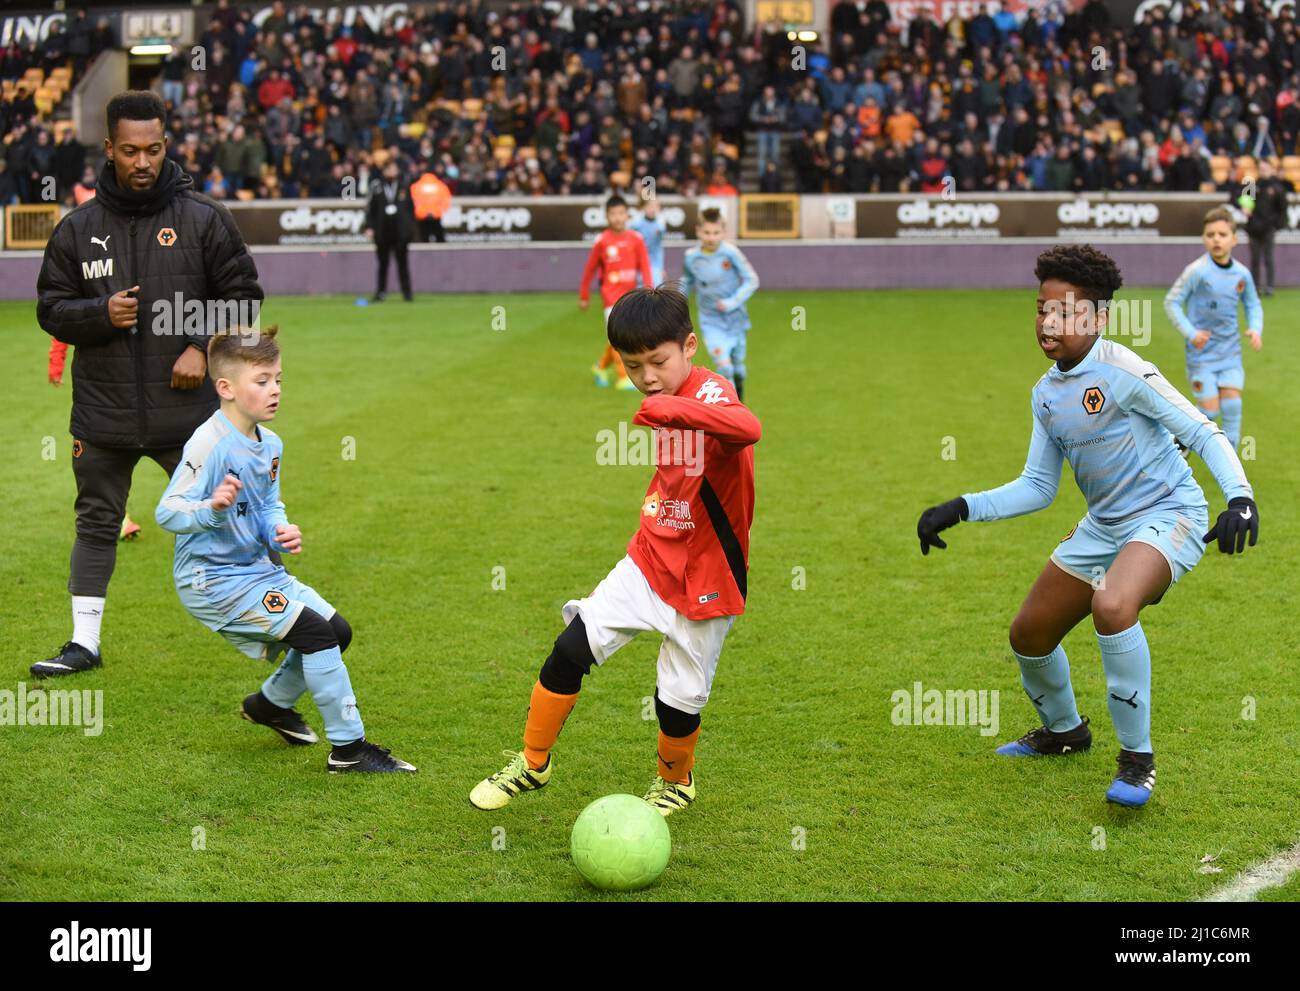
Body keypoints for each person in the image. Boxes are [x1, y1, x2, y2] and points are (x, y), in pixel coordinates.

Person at [917, 244, 1259, 808]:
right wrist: (961, 506)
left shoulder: (1124, 371)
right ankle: (1064, 732)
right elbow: (1037, 487)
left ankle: (1138, 759)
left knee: (1113, 606)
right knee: (1028, 634)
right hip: (1104, 527)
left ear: (1098, 319)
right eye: (1041, 308)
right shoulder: (1045, 395)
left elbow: (1202, 430)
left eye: (1066, 311)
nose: (1049, 322)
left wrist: (1241, 499)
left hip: (1169, 514)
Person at [469, 285, 760, 815]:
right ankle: (532, 764)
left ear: (689, 346)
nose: (647, 378)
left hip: (710, 574)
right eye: (633, 366)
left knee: (677, 697)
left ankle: (676, 783)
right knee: (570, 650)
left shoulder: (711, 391)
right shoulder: (659, 394)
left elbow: (748, 427)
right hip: (651, 558)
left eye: (658, 362)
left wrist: (679, 407)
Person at [33, 89, 263, 677]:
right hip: (102, 414)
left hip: (185, 415)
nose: (143, 163)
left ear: (167, 145)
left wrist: (197, 346)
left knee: (234, 520)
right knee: (96, 522)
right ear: (109, 149)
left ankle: (278, 633)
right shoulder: (77, 229)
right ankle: (84, 643)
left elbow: (244, 299)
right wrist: (99, 315)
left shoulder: (203, 218)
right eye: (130, 151)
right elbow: (51, 309)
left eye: (154, 149)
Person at [155, 326, 416, 774]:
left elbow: (269, 503)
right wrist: (213, 507)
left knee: (337, 632)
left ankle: (269, 705)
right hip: (212, 581)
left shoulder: (270, 443)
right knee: (315, 635)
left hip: (256, 570)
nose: (275, 390)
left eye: (278, 379)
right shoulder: (209, 443)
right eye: (262, 381)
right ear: (226, 388)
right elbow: (168, 511)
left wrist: (279, 530)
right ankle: (349, 751)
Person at [1164, 206, 1263, 450]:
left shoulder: (1242, 274)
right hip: (1202, 354)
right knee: (1209, 410)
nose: (1216, 239)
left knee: (1232, 405)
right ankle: (1179, 441)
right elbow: (1172, 302)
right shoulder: (1197, 271)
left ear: (1234, 239)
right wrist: (1192, 333)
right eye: (1210, 235)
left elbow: (1253, 304)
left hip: (1230, 352)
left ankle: (1230, 464)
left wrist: (1255, 328)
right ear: (1204, 239)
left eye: (1222, 234)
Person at [679, 207, 760, 400]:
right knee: (725, 367)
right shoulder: (692, 257)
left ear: (723, 232)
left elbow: (752, 280)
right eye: (707, 232)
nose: (711, 237)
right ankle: (732, 412)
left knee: (739, 370)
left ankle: (738, 393)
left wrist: (732, 302)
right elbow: (688, 281)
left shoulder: (731, 253)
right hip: (710, 321)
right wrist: (674, 299)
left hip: (735, 320)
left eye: (716, 233)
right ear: (698, 231)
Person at [580, 194, 653, 391]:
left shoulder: (636, 239)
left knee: (625, 336)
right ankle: (623, 378)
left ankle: (600, 367)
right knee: (618, 338)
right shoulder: (602, 241)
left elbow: (645, 266)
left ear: (627, 215)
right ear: (607, 216)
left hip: (630, 297)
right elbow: (590, 269)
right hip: (610, 297)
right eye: (613, 214)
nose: (617, 217)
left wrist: (649, 290)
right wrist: (584, 295)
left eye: (621, 213)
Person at [364, 157, 416, 301]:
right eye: (390, 169)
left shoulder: (404, 186)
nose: (393, 171)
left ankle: (407, 293)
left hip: (400, 232)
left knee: (403, 264)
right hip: (382, 231)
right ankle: (380, 292)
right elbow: (370, 209)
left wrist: (409, 228)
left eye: (395, 169)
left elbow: (411, 210)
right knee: (383, 264)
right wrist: (369, 227)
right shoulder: (377, 187)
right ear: (384, 171)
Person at [1235, 159, 1288, 297]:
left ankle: (1269, 286)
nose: (1263, 170)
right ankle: (1255, 287)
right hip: (1253, 228)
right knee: (1255, 259)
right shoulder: (1252, 185)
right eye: (1261, 168)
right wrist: (1244, 207)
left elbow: (1282, 210)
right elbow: (1243, 201)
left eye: (1266, 168)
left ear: (1271, 169)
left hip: (1268, 228)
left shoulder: (1277, 188)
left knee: (1268, 258)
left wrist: (1276, 225)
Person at [629, 194, 666, 287]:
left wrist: (661, 268)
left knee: (657, 289)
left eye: (655, 206)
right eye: (649, 206)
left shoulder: (660, 226)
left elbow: (658, 249)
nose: (652, 209)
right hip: (639, 263)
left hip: (654, 264)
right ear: (643, 207)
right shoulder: (635, 225)